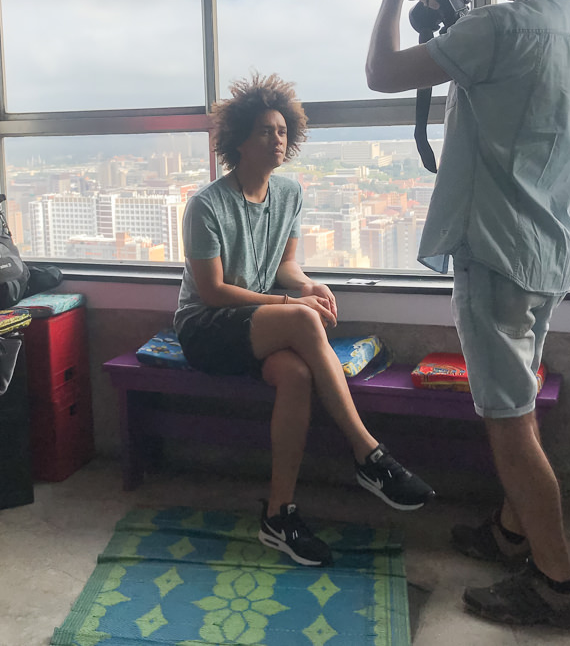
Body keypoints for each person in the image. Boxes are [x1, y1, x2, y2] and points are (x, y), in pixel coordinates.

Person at [365, 0, 570, 630]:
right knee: (520, 402)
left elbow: (381, 74)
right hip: (550, 248)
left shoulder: (500, 30)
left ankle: (557, 585)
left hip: (495, 251)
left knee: (508, 422)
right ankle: (512, 534)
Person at [175, 71, 435, 568]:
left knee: (296, 375)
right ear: (240, 141)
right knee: (302, 321)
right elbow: (211, 292)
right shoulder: (206, 206)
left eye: (282, 131)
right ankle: (369, 455)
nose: (277, 139)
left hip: (254, 324)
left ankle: (279, 515)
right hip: (206, 328)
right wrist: (288, 305)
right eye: (264, 131)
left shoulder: (289, 193)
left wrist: (308, 285)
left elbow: (284, 266)